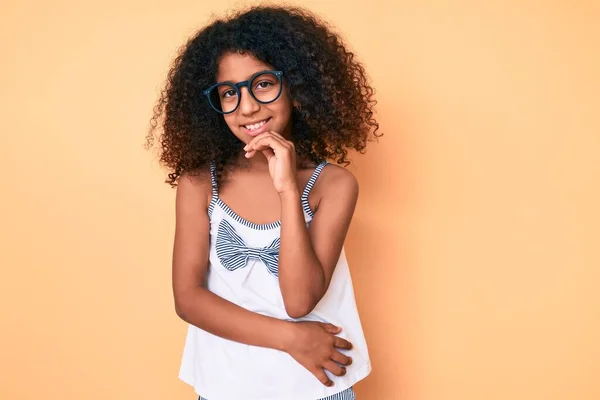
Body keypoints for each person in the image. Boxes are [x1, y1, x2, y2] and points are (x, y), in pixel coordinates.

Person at [146, 5, 380, 400]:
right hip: (224, 387)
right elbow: (188, 299)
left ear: (298, 85)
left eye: (263, 84)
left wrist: (288, 189)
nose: (248, 106)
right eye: (229, 93)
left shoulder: (333, 185)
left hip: (316, 387)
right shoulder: (201, 182)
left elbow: (299, 300)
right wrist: (292, 339)